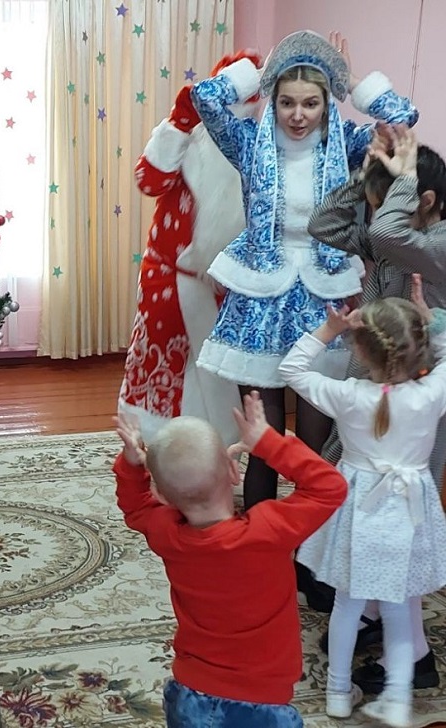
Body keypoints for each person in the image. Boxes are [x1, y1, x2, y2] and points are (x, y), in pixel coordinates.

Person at [190, 30, 419, 511]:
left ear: (325, 104)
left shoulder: (347, 142)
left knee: (314, 446)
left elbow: (402, 118)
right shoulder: (248, 141)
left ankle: (311, 550)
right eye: (287, 102)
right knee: (265, 442)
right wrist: (264, 70)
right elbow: (205, 97)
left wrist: (350, 79)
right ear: (272, 101)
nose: (298, 115)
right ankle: (262, 543)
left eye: (310, 103)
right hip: (258, 298)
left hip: (321, 300)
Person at [308, 125, 446, 691]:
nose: (376, 213)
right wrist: (366, 173)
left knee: (400, 517)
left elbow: (386, 229)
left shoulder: (432, 242)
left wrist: (402, 178)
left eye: (393, 198)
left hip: (421, 399)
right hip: (373, 387)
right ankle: (366, 609)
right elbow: (324, 224)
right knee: (355, 490)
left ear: (424, 200)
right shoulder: (394, 232)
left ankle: (412, 656)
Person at [114, 392, 346, 728]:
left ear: (161, 495)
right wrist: (268, 443)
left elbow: (135, 506)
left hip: (189, 695)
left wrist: (132, 464)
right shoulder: (268, 531)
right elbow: (330, 486)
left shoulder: (166, 533)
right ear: (234, 473)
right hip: (262, 706)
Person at [280, 283, 446, 726]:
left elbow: (291, 370)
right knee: (397, 607)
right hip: (408, 514)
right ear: (417, 348)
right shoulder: (432, 394)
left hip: (357, 514)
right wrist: (431, 320)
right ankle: (397, 696)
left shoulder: (348, 394)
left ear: (360, 349)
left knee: (346, 605)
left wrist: (327, 330)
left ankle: (337, 692)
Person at [119, 49, 261, 445]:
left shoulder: (255, 148)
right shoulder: (186, 136)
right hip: (167, 279)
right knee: (162, 365)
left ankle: (212, 455)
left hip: (227, 285)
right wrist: (181, 120)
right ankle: (152, 451)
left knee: (218, 379)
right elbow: (149, 181)